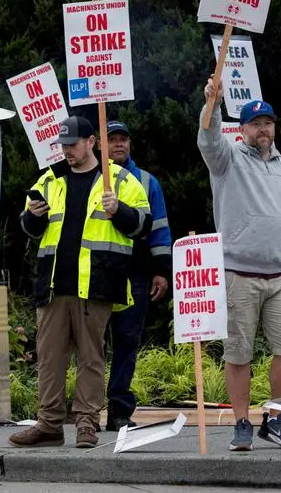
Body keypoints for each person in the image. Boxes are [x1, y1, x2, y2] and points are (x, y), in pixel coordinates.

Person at [9, 116, 152, 449]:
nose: (67, 151)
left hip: (97, 284)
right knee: (49, 358)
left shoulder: (120, 180)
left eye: (72, 144)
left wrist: (121, 211)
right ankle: (49, 424)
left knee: (91, 358)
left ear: (91, 142)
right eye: (63, 145)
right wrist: (33, 216)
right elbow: (27, 228)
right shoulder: (48, 180)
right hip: (54, 285)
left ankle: (87, 423)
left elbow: (143, 226)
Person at [197, 81, 281, 452]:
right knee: (238, 353)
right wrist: (213, 103)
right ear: (242, 130)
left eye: (268, 123)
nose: (263, 129)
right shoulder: (226, 159)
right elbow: (208, 137)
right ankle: (241, 424)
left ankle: (276, 419)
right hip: (238, 273)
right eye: (255, 123)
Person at [105, 121, 172, 431]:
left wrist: (161, 271)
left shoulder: (146, 181)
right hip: (95, 272)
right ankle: (86, 413)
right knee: (91, 346)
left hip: (134, 273)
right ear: (98, 144)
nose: (119, 144)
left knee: (127, 342)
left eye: (123, 139)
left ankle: (119, 411)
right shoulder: (90, 177)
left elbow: (159, 228)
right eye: (112, 139)